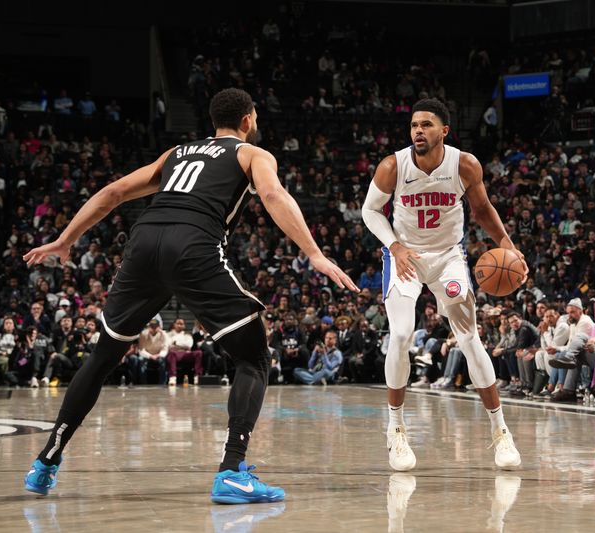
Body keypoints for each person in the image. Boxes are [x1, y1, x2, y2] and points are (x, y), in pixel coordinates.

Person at [22, 88, 357, 503]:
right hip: (193, 246)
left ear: (212, 120)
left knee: (103, 357)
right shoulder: (252, 154)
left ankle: (45, 462)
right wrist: (314, 254)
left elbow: (113, 192)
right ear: (249, 120)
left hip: (143, 243)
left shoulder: (178, 153)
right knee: (253, 357)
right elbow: (272, 195)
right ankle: (233, 471)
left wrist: (64, 240)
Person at [361, 98, 527, 471]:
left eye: (426, 125)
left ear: (444, 131)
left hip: (449, 258)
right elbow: (370, 211)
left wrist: (508, 247)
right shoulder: (393, 166)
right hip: (406, 258)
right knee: (401, 335)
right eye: (414, 126)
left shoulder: (464, 164)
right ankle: (396, 430)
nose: (418, 131)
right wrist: (395, 246)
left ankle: (501, 432)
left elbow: (482, 210)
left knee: (470, 339)